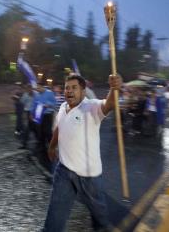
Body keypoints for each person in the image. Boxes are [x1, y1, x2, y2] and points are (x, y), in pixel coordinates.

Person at [43, 74, 122, 232]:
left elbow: (108, 105)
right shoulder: (62, 108)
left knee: (101, 222)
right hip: (64, 172)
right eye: (67, 88)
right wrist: (52, 147)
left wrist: (114, 89)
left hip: (89, 178)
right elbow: (59, 129)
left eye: (74, 88)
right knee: (53, 220)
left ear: (83, 92)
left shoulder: (90, 107)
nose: (69, 91)